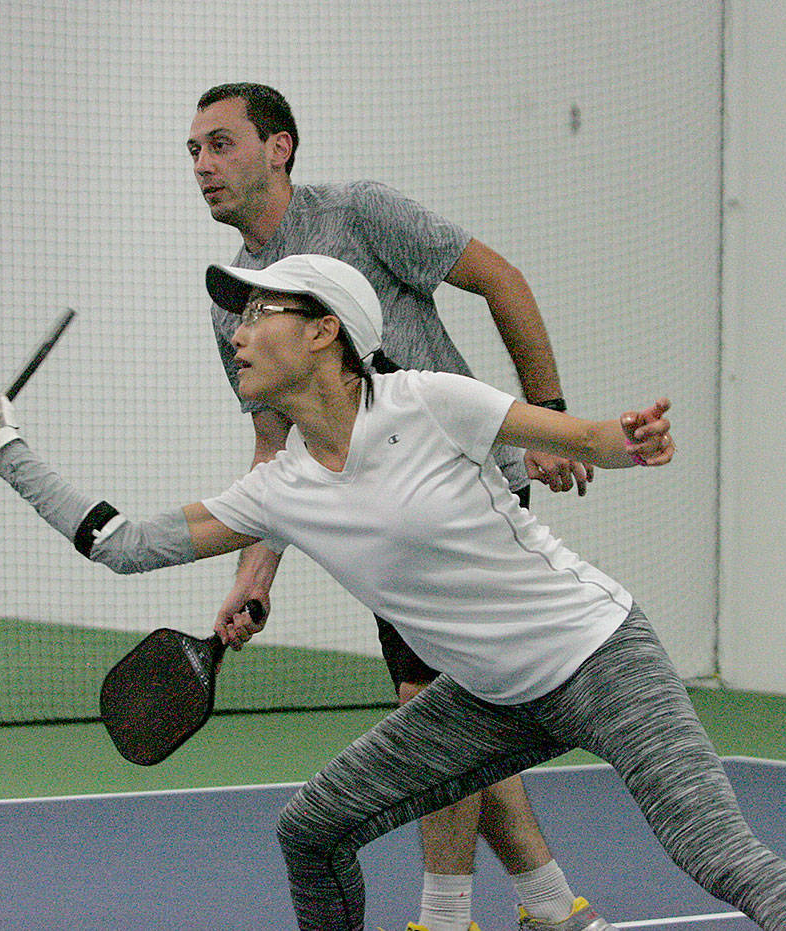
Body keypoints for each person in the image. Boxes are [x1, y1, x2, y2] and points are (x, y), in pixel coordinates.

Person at [0, 254, 786, 931]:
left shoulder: (427, 401)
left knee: (711, 847)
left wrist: (629, 439)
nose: (236, 329)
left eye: (259, 310)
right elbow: (122, 544)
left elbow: (583, 436)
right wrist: (10, 451)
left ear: (324, 332)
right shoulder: (279, 488)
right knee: (311, 828)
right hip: (490, 698)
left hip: (598, 654)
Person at [187, 82, 600, 931]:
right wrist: (253, 575)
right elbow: (276, 451)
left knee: (432, 709)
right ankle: (553, 908)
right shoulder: (230, 293)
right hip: (374, 520)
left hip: (455, 490)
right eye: (193, 152)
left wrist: (550, 419)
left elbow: (501, 280)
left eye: (221, 144)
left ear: (280, 148)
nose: (202, 166)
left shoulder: (362, 213)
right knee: (456, 711)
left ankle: (448, 916)